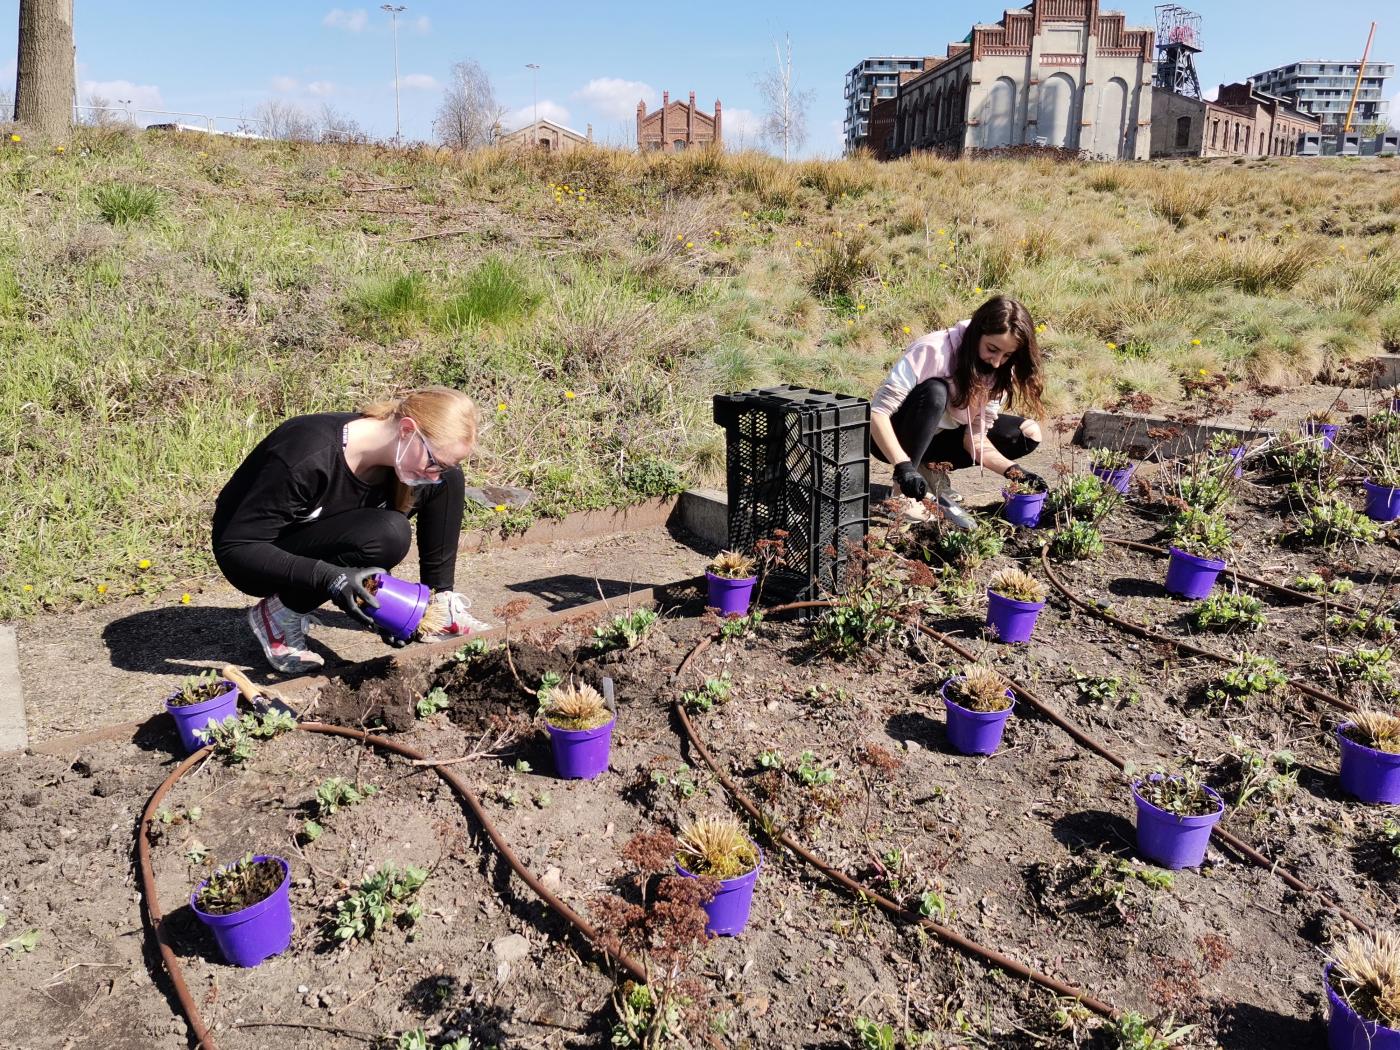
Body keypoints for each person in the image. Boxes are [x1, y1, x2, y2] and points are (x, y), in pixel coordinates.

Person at [212, 387, 490, 674]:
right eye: (433, 462)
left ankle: (440, 606)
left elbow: (353, 536)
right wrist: (332, 578)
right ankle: (280, 613)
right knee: (390, 534)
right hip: (256, 558)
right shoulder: (306, 454)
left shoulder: (396, 460)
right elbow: (236, 548)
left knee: (448, 480)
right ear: (407, 430)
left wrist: (384, 608)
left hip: (319, 538)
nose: (433, 474)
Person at [871, 295, 1046, 530]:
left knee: (1026, 434)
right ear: (976, 334)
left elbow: (974, 438)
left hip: (940, 436)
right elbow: (878, 413)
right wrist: (903, 467)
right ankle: (902, 494)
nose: (996, 362)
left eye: (1006, 355)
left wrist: (1015, 472)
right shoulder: (933, 350)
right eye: (992, 349)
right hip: (893, 436)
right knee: (935, 391)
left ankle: (928, 470)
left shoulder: (1000, 372)